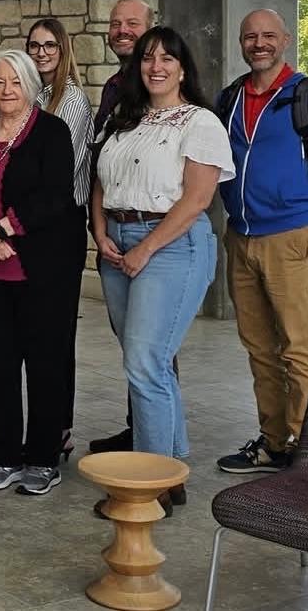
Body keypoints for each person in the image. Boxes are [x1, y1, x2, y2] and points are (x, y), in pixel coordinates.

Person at [92, 27, 234, 513]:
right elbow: (99, 181)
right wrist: (100, 232)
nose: (156, 66)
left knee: (145, 362)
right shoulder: (122, 118)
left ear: (182, 68)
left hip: (172, 246)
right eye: (148, 58)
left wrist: (146, 248)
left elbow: (197, 199)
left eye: (166, 59)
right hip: (118, 241)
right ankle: (171, 468)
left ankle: (148, 486)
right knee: (148, 362)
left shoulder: (200, 122)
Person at [215, 9, 308, 473]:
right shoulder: (230, 98)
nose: (259, 44)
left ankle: (306, 451)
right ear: (241, 43)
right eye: (250, 36)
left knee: (296, 348)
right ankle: (274, 442)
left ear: (285, 40)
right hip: (242, 236)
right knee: (258, 348)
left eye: (268, 36)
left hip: (292, 235)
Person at [0, 50, 78, 496]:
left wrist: (4, 228)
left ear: (30, 85)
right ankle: (5, 454)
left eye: (15, 82)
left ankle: (43, 458)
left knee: (44, 366)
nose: (7, 90)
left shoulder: (52, 131)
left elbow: (54, 194)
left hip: (42, 268)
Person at [89, 0, 157, 454]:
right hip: (113, 228)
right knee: (132, 341)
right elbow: (102, 164)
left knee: (152, 346)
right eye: (116, 24)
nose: (122, 30)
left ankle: (159, 454)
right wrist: (99, 229)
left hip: (153, 234)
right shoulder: (114, 86)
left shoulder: (161, 84)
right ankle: (141, 431)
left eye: (132, 23)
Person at [27, 18, 95, 457]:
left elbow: (56, 171)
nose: (42, 52)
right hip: (26, 223)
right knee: (30, 331)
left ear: (63, 49)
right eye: (34, 45)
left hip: (59, 221)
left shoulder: (71, 100)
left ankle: (59, 427)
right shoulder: (27, 93)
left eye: (50, 45)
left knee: (54, 333)